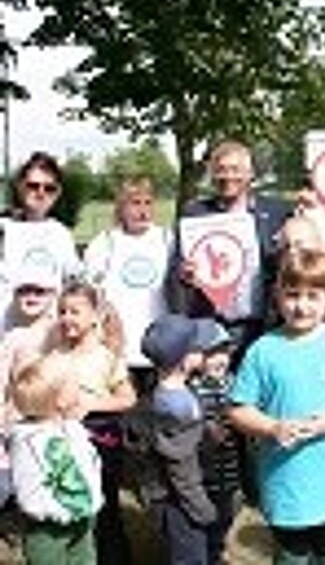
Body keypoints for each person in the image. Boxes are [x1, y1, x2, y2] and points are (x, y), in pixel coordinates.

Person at [229, 250, 325, 565]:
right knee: (290, 556)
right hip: (286, 489)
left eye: (313, 296)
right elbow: (238, 410)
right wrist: (273, 427)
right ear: (277, 296)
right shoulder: (263, 350)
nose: (301, 306)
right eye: (292, 295)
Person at [165, 139, 291, 365]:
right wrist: (183, 276)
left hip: (265, 327)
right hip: (212, 329)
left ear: (250, 174)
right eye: (221, 170)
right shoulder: (194, 214)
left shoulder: (277, 211)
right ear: (212, 175)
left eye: (235, 169)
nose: (228, 176)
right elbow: (174, 275)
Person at [129, 313, 232, 565]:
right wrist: (201, 509)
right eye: (199, 348)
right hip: (181, 503)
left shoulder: (158, 394)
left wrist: (205, 433)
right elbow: (181, 466)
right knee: (190, 558)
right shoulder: (182, 405)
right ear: (186, 359)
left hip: (166, 497)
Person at [47, 281, 136, 565]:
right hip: (64, 442)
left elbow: (127, 398)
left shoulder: (105, 356)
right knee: (72, 506)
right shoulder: (55, 355)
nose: (66, 318)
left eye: (75, 311)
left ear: (95, 317)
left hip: (101, 439)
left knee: (105, 510)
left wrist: (90, 404)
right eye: (62, 311)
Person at [9, 353, 103, 565]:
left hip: (82, 517)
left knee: (85, 558)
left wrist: (90, 501)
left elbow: (88, 465)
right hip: (49, 525)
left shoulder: (72, 428)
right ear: (60, 400)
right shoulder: (30, 442)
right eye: (75, 385)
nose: (81, 388)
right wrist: (51, 511)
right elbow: (29, 485)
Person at [83, 177, 171, 396]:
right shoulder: (104, 243)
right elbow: (90, 295)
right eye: (134, 203)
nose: (142, 211)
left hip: (160, 351)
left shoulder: (167, 239)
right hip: (120, 351)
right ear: (121, 207)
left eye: (147, 203)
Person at [0, 264, 61, 507]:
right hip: (20, 416)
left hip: (58, 417)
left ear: (53, 294)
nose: (31, 297)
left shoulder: (63, 331)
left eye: (39, 292)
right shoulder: (14, 337)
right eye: (24, 291)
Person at [0, 152, 80, 332]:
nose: (41, 193)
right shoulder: (4, 229)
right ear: (20, 187)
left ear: (58, 192)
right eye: (33, 186)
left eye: (49, 188)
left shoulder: (62, 234)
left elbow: (73, 286)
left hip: (48, 342)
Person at [189, 325, 241, 564]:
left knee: (227, 512)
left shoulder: (235, 383)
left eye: (224, 352)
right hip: (202, 470)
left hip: (230, 469)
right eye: (210, 354)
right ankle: (207, 552)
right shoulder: (191, 388)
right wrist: (204, 431)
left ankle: (218, 548)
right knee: (204, 515)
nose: (218, 360)